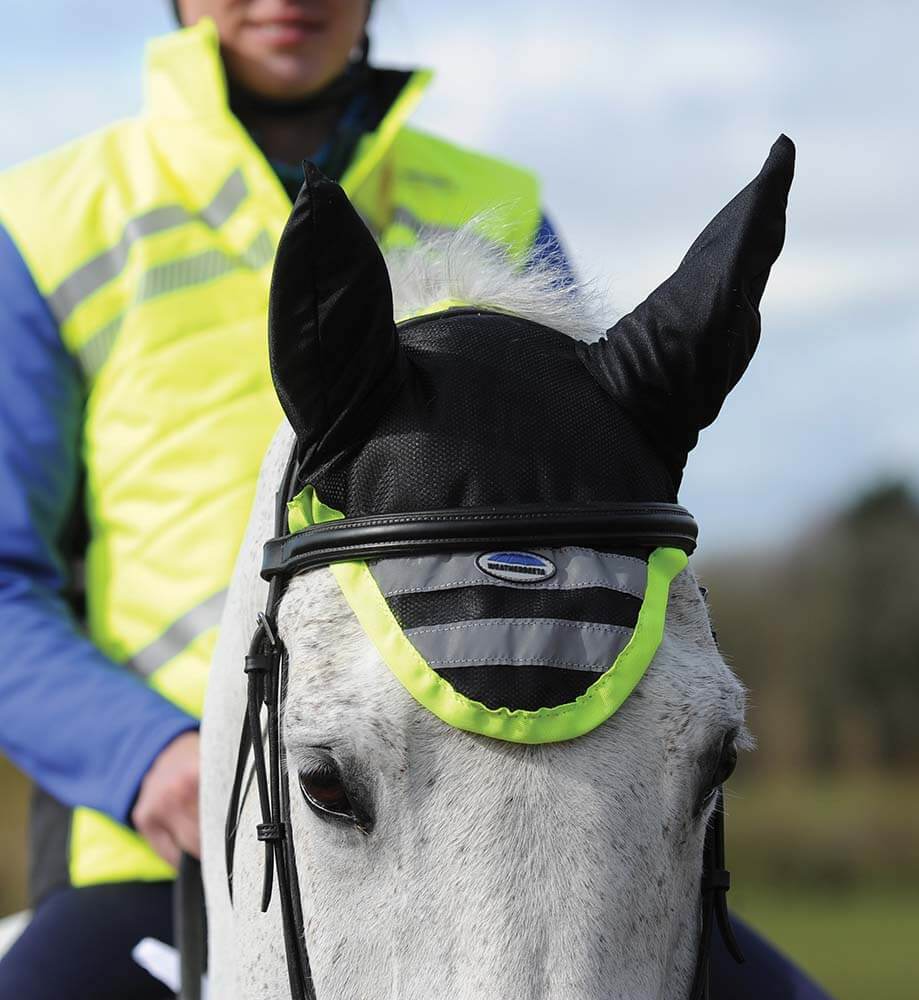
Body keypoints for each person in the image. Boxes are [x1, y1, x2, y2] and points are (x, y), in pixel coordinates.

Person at [0, 3, 827, 998]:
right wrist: (153, 758)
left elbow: (590, 515)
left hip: (536, 842)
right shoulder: (47, 222)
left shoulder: (503, 208)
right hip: (164, 841)